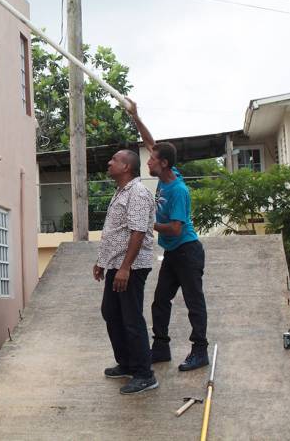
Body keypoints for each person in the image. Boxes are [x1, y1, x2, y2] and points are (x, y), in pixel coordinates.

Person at [126, 99, 210, 372]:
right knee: (161, 300)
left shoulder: (178, 191)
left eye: (151, 159)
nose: (147, 161)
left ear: (162, 164)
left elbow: (175, 228)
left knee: (193, 301)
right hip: (174, 253)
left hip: (187, 250)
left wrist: (149, 223)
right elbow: (151, 142)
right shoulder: (167, 174)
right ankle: (161, 347)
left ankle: (200, 351)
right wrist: (136, 116)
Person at [94, 149, 158, 394]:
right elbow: (115, 231)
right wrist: (102, 261)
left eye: (115, 160)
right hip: (115, 264)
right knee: (111, 312)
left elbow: (138, 232)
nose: (109, 162)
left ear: (126, 167)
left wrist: (125, 268)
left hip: (132, 267)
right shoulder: (121, 192)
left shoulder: (138, 193)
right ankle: (127, 363)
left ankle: (145, 374)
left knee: (131, 319)